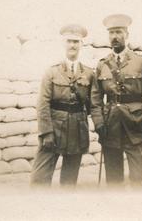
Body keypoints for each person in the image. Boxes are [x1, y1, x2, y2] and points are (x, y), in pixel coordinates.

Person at [91, 14, 142, 185]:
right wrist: (99, 123)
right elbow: (95, 99)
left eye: (119, 32)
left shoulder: (140, 62)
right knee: (113, 180)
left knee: (138, 179)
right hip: (110, 127)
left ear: (127, 34)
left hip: (135, 128)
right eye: (111, 33)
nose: (115, 36)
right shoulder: (102, 65)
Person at [30, 24, 94, 187]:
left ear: (81, 44)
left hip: (77, 131)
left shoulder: (88, 73)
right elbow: (43, 104)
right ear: (63, 44)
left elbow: (94, 104)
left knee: (69, 180)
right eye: (69, 41)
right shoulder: (51, 72)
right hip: (55, 129)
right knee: (40, 178)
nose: (72, 45)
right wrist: (46, 132)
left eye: (76, 42)